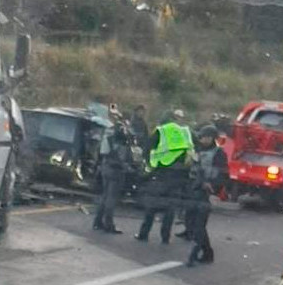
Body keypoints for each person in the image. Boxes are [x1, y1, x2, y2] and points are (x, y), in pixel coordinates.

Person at [135, 109, 194, 244]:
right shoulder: (185, 132)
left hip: (161, 173)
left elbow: (147, 149)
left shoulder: (161, 130)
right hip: (179, 176)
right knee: (170, 209)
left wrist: (150, 165)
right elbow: (193, 150)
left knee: (152, 205)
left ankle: (144, 234)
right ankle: (165, 237)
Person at [184, 125, 229, 267]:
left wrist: (213, 188)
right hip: (193, 190)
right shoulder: (197, 151)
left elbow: (222, 174)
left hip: (207, 193)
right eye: (202, 137)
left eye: (205, 137)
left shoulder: (219, 154)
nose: (202, 139)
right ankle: (206, 251)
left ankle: (201, 254)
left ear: (211, 138)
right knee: (190, 222)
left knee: (199, 226)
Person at [93, 121, 135, 234]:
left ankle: (97, 222)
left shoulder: (108, 139)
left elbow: (99, 153)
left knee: (105, 196)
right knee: (111, 198)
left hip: (105, 168)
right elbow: (123, 160)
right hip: (116, 171)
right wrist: (128, 168)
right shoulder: (122, 144)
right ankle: (109, 224)